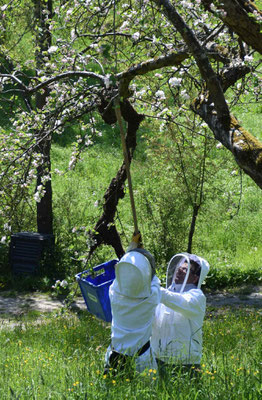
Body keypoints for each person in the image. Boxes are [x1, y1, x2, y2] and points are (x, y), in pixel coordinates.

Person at [104, 233, 161, 377]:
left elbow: (123, 273)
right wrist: (141, 253)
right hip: (141, 359)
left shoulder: (114, 294)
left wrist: (132, 248)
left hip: (114, 356)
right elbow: (153, 278)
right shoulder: (151, 298)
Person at [151, 252, 210, 377]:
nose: (179, 270)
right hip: (158, 360)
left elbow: (179, 301)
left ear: (195, 278)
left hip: (186, 364)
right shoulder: (165, 293)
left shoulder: (197, 297)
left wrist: (153, 287)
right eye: (180, 267)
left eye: (185, 269)